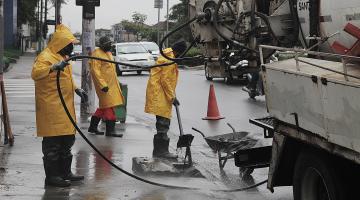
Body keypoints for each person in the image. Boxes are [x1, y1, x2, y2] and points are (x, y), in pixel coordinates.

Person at [31, 24, 86, 187]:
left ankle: (65, 173)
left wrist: (77, 89)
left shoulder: (62, 57)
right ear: (61, 44)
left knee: (67, 142)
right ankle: (53, 177)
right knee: (53, 145)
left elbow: (67, 78)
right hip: (51, 109)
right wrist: (53, 67)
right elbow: (35, 74)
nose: (71, 48)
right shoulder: (45, 57)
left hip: (65, 108)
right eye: (70, 45)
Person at [145, 41, 187, 159]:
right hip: (160, 94)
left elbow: (166, 80)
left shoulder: (168, 56)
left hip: (160, 92)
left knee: (162, 122)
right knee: (163, 123)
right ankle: (161, 152)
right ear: (178, 51)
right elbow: (165, 80)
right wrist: (172, 97)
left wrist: (172, 95)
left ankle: (159, 151)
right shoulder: (169, 59)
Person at [88, 36, 124, 137]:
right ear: (102, 45)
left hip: (111, 85)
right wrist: (102, 84)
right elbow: (95, 71)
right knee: (109, 106)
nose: (110, 45)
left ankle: (93, 127)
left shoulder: (108, 53)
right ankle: (110, 131)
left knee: (104, 106)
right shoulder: (97, 54)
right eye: (108, 44)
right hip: (104, 86)